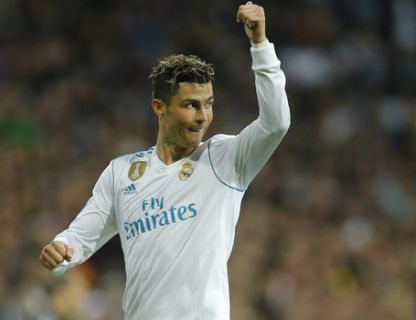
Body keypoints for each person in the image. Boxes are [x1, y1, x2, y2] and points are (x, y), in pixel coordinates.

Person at [39, 2, 290, 319]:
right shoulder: (122, 173)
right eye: (191, 105)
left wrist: (260, 46)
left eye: (208, 104)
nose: (203, 118)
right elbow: (80, 238)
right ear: (159, 107)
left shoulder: (224, 159)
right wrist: (62, 247)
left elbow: (276, 123)